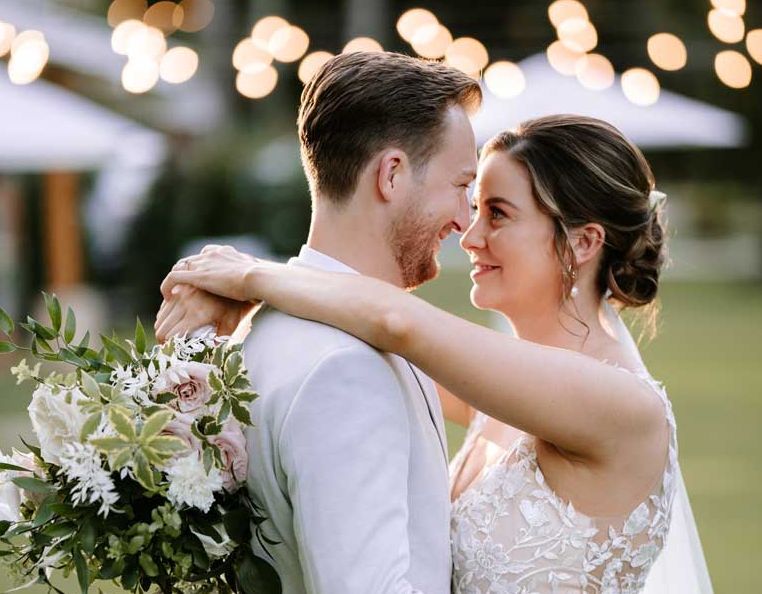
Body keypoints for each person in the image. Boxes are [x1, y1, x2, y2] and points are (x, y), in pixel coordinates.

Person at [157, 114, 714, 593]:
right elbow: (361, 347)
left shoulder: (619, 404)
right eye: (473, 208)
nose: (469, 236)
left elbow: (395, 322)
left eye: (498, 214)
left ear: (583, 242)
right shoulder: (503, 387)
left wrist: (249, 275)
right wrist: (238, 321)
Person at [158, 51, 482, 593]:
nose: (465, 219)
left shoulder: (264, 330)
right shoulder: (345, 369)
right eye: (460, 185)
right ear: (393, 174)